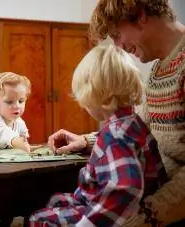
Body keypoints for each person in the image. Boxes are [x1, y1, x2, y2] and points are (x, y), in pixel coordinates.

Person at [48, 0, 185, 225]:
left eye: (116, 34)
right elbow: (136, 125)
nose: (119, 46)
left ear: (141, 16)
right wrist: (86, 140)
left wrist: (139, 219)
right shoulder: (160, 69)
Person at [29, 44, 167, 227]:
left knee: (38, 219)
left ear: (95, 96)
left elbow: (125, 189)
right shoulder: (132, 123)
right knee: (56, 200)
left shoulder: (115, 137)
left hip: (105, 213)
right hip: (103, 201)